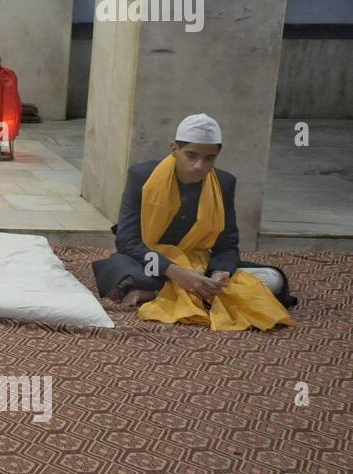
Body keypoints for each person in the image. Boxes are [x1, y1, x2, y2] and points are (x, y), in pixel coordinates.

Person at [92, 113, 295, 330]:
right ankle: (180, 289)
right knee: (121, 270)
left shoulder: (224, 183)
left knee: (274, 279)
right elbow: (128, 241)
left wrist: (220, 273)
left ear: (217, 155)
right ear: (174, 149)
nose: (199, 165)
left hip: (199, 262)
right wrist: (174, 271)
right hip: (150, 260)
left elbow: (226, 244)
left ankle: (158, 292)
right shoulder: (143, 176)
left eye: (209, 158)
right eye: (191, 155)